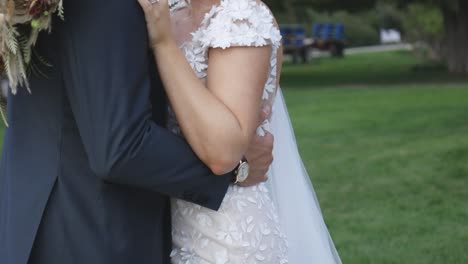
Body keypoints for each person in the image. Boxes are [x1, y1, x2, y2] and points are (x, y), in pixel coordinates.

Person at [0, 0, 274, 263]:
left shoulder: (234, 17)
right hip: (87, 230)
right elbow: (120, 147)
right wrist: (234, 170)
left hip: (35, 219)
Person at [138, 0, 343, 263]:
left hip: (226, 239)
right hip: (170, 228)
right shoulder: (172, 13)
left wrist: (164, 45)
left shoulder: (240, 17)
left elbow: (223, 153)